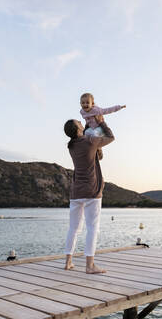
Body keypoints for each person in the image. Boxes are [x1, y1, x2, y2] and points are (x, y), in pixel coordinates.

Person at [63, 114, 115, 274]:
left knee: (73, 228)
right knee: (92, 227)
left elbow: (83, 137)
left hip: (76, 192)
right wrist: (101, 122)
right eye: (79, 122)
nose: (80, 121)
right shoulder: (89, 141)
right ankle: (89, 265)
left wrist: (87, 125)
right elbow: (111, 137)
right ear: (78, 129)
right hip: (92, 191)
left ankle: (68, 262)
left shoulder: (71, 146)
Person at [79, 92, 125, 160]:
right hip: (92, 128)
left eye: (87, 102)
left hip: (99, 128)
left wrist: (119, 107)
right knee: (86, 133)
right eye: (83, 103)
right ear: (80, 104)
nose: (85, 104)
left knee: (94, 134)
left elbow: (107, 110)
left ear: (92, 104)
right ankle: (92, 149)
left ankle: (99, 149)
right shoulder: (82, 111)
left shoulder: (96, 110)